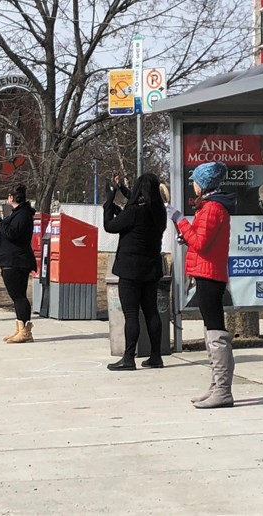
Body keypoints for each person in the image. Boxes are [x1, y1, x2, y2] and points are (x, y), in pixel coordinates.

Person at [167, 162, 236, 409]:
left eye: (194, 181)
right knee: (211, 330)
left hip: (210, 275)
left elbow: (201, 242)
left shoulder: (212, 208)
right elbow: (200, 239)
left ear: (203, 184)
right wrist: (186, 233)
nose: (192, 185)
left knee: (216, 330)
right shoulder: (210, 207)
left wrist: (179, 220)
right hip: (207, 273)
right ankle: (217, 386)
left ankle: (223, 390)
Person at [103, 173, 167, 371]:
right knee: (151, 312)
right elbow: (134, 204)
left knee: (131, 314)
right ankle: (156, 356)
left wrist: (109, 201)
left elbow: (110, 226)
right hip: (151, 268)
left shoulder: (133, 212)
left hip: (131, 269)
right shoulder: (158, 211)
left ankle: (129, 357)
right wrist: (122, 189)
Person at [0, 184, 36, 343]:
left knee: (19, 296)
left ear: (11, 198)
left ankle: (25, 331)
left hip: (16, 260)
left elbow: (12, 233)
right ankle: (20, 328)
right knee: (16, 296)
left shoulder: (22, 214)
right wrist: (0, 224)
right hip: (11, 259)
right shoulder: (18, 213)